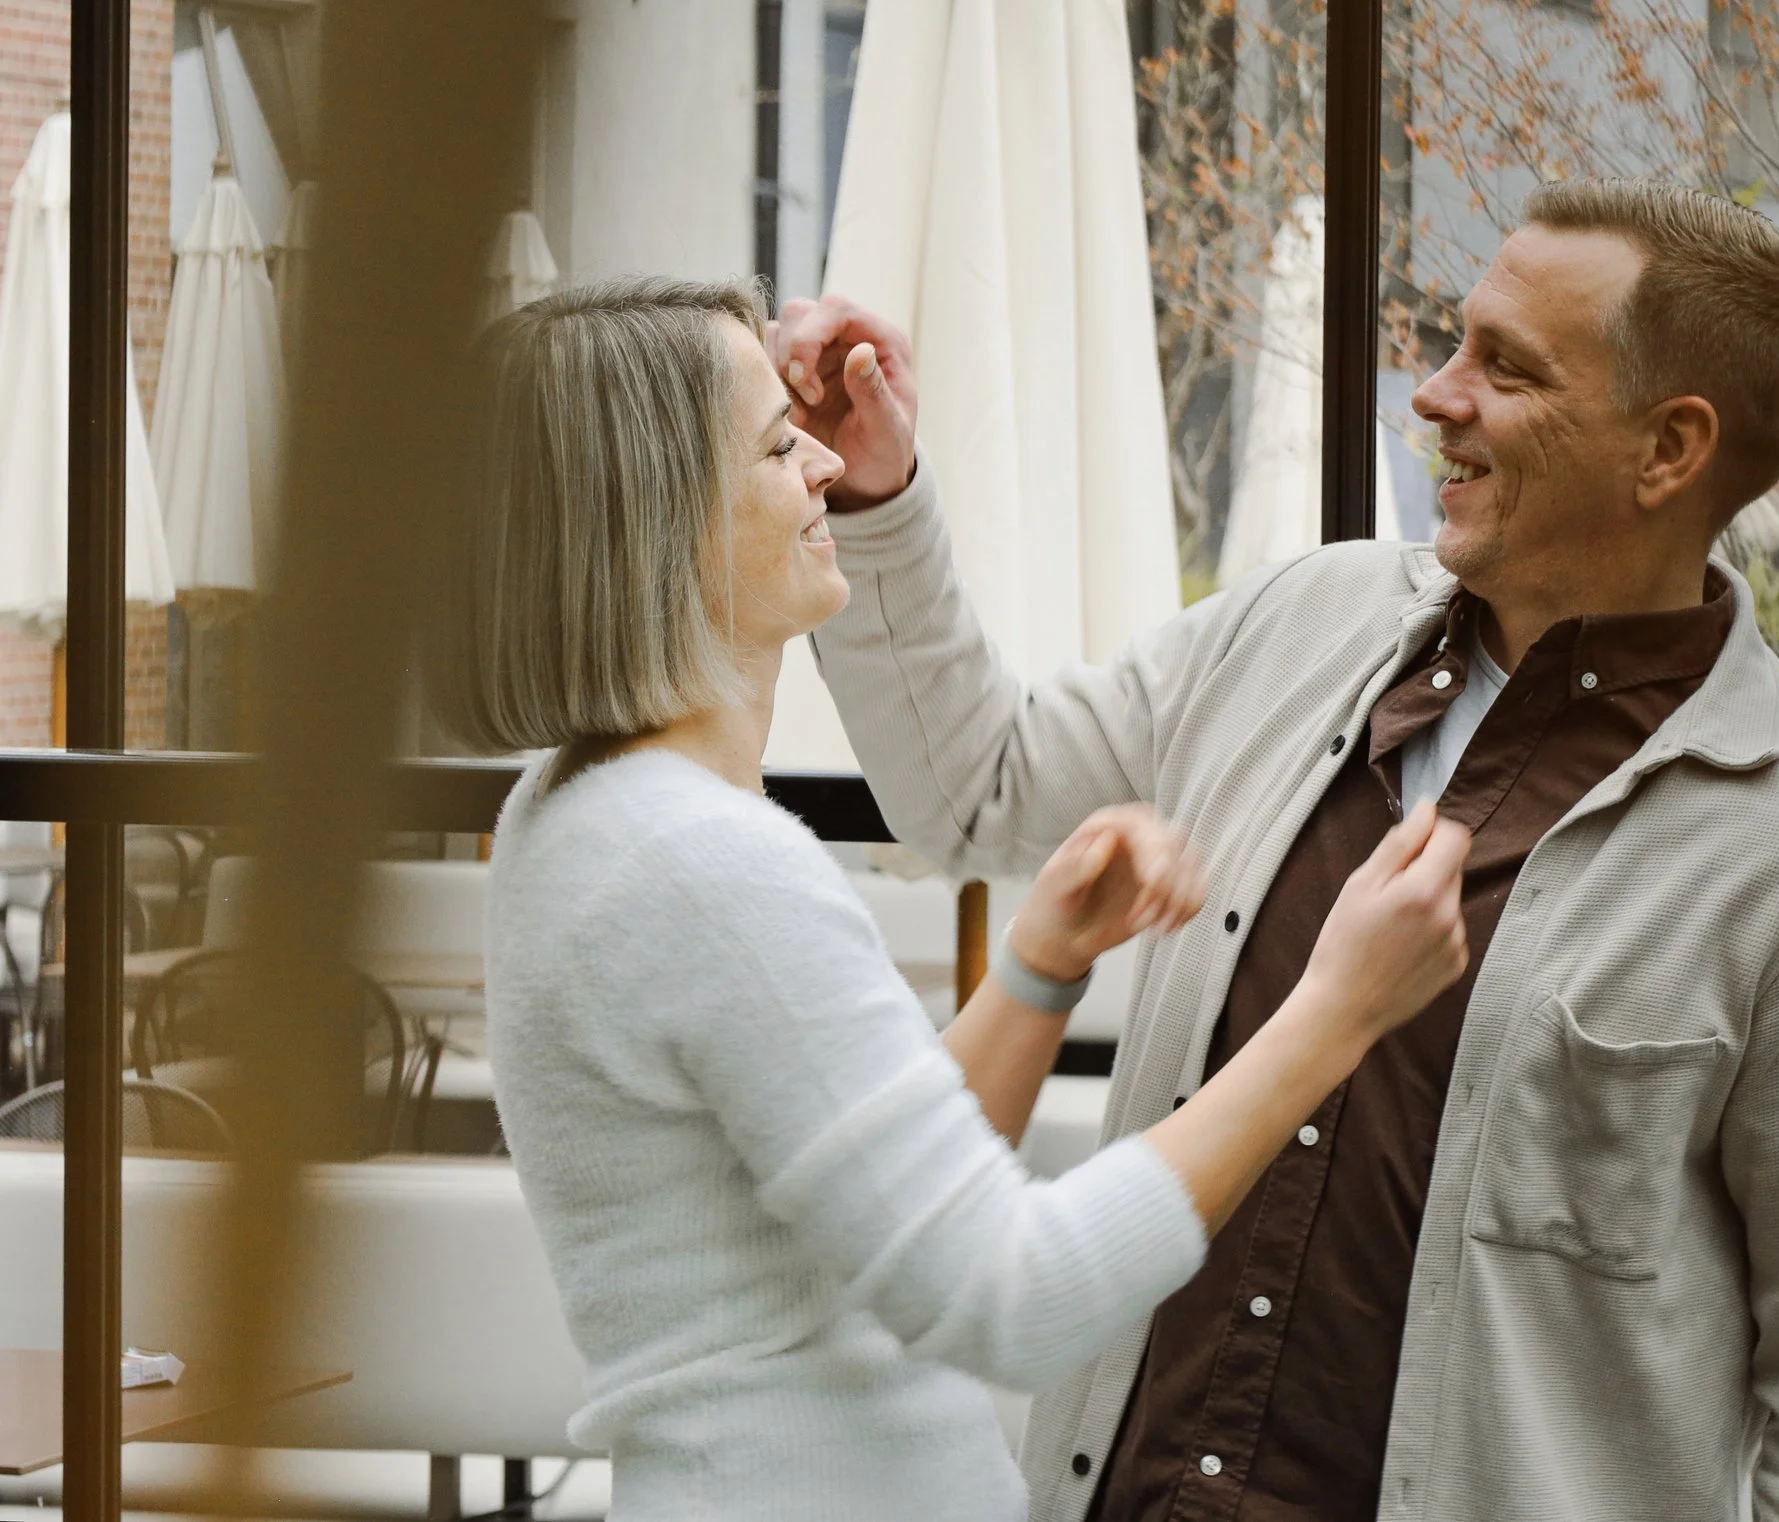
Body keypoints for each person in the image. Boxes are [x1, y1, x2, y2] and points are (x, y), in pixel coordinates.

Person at [780, 178, 1779, 1522]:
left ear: (1668, 449)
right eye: (1455, 342)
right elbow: (977, 788)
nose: (1435, 395)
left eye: (1506, 367)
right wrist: (874, 492)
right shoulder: (1296, 622)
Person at [438, 276, 1473, 1522]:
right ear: (655, 521)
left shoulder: (569, 813)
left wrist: (1038, 967)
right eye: (777, 445)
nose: (825, 463)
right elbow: (1012, 1299)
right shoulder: (706, 864)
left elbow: (877, 1219)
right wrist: (1336, 1014)